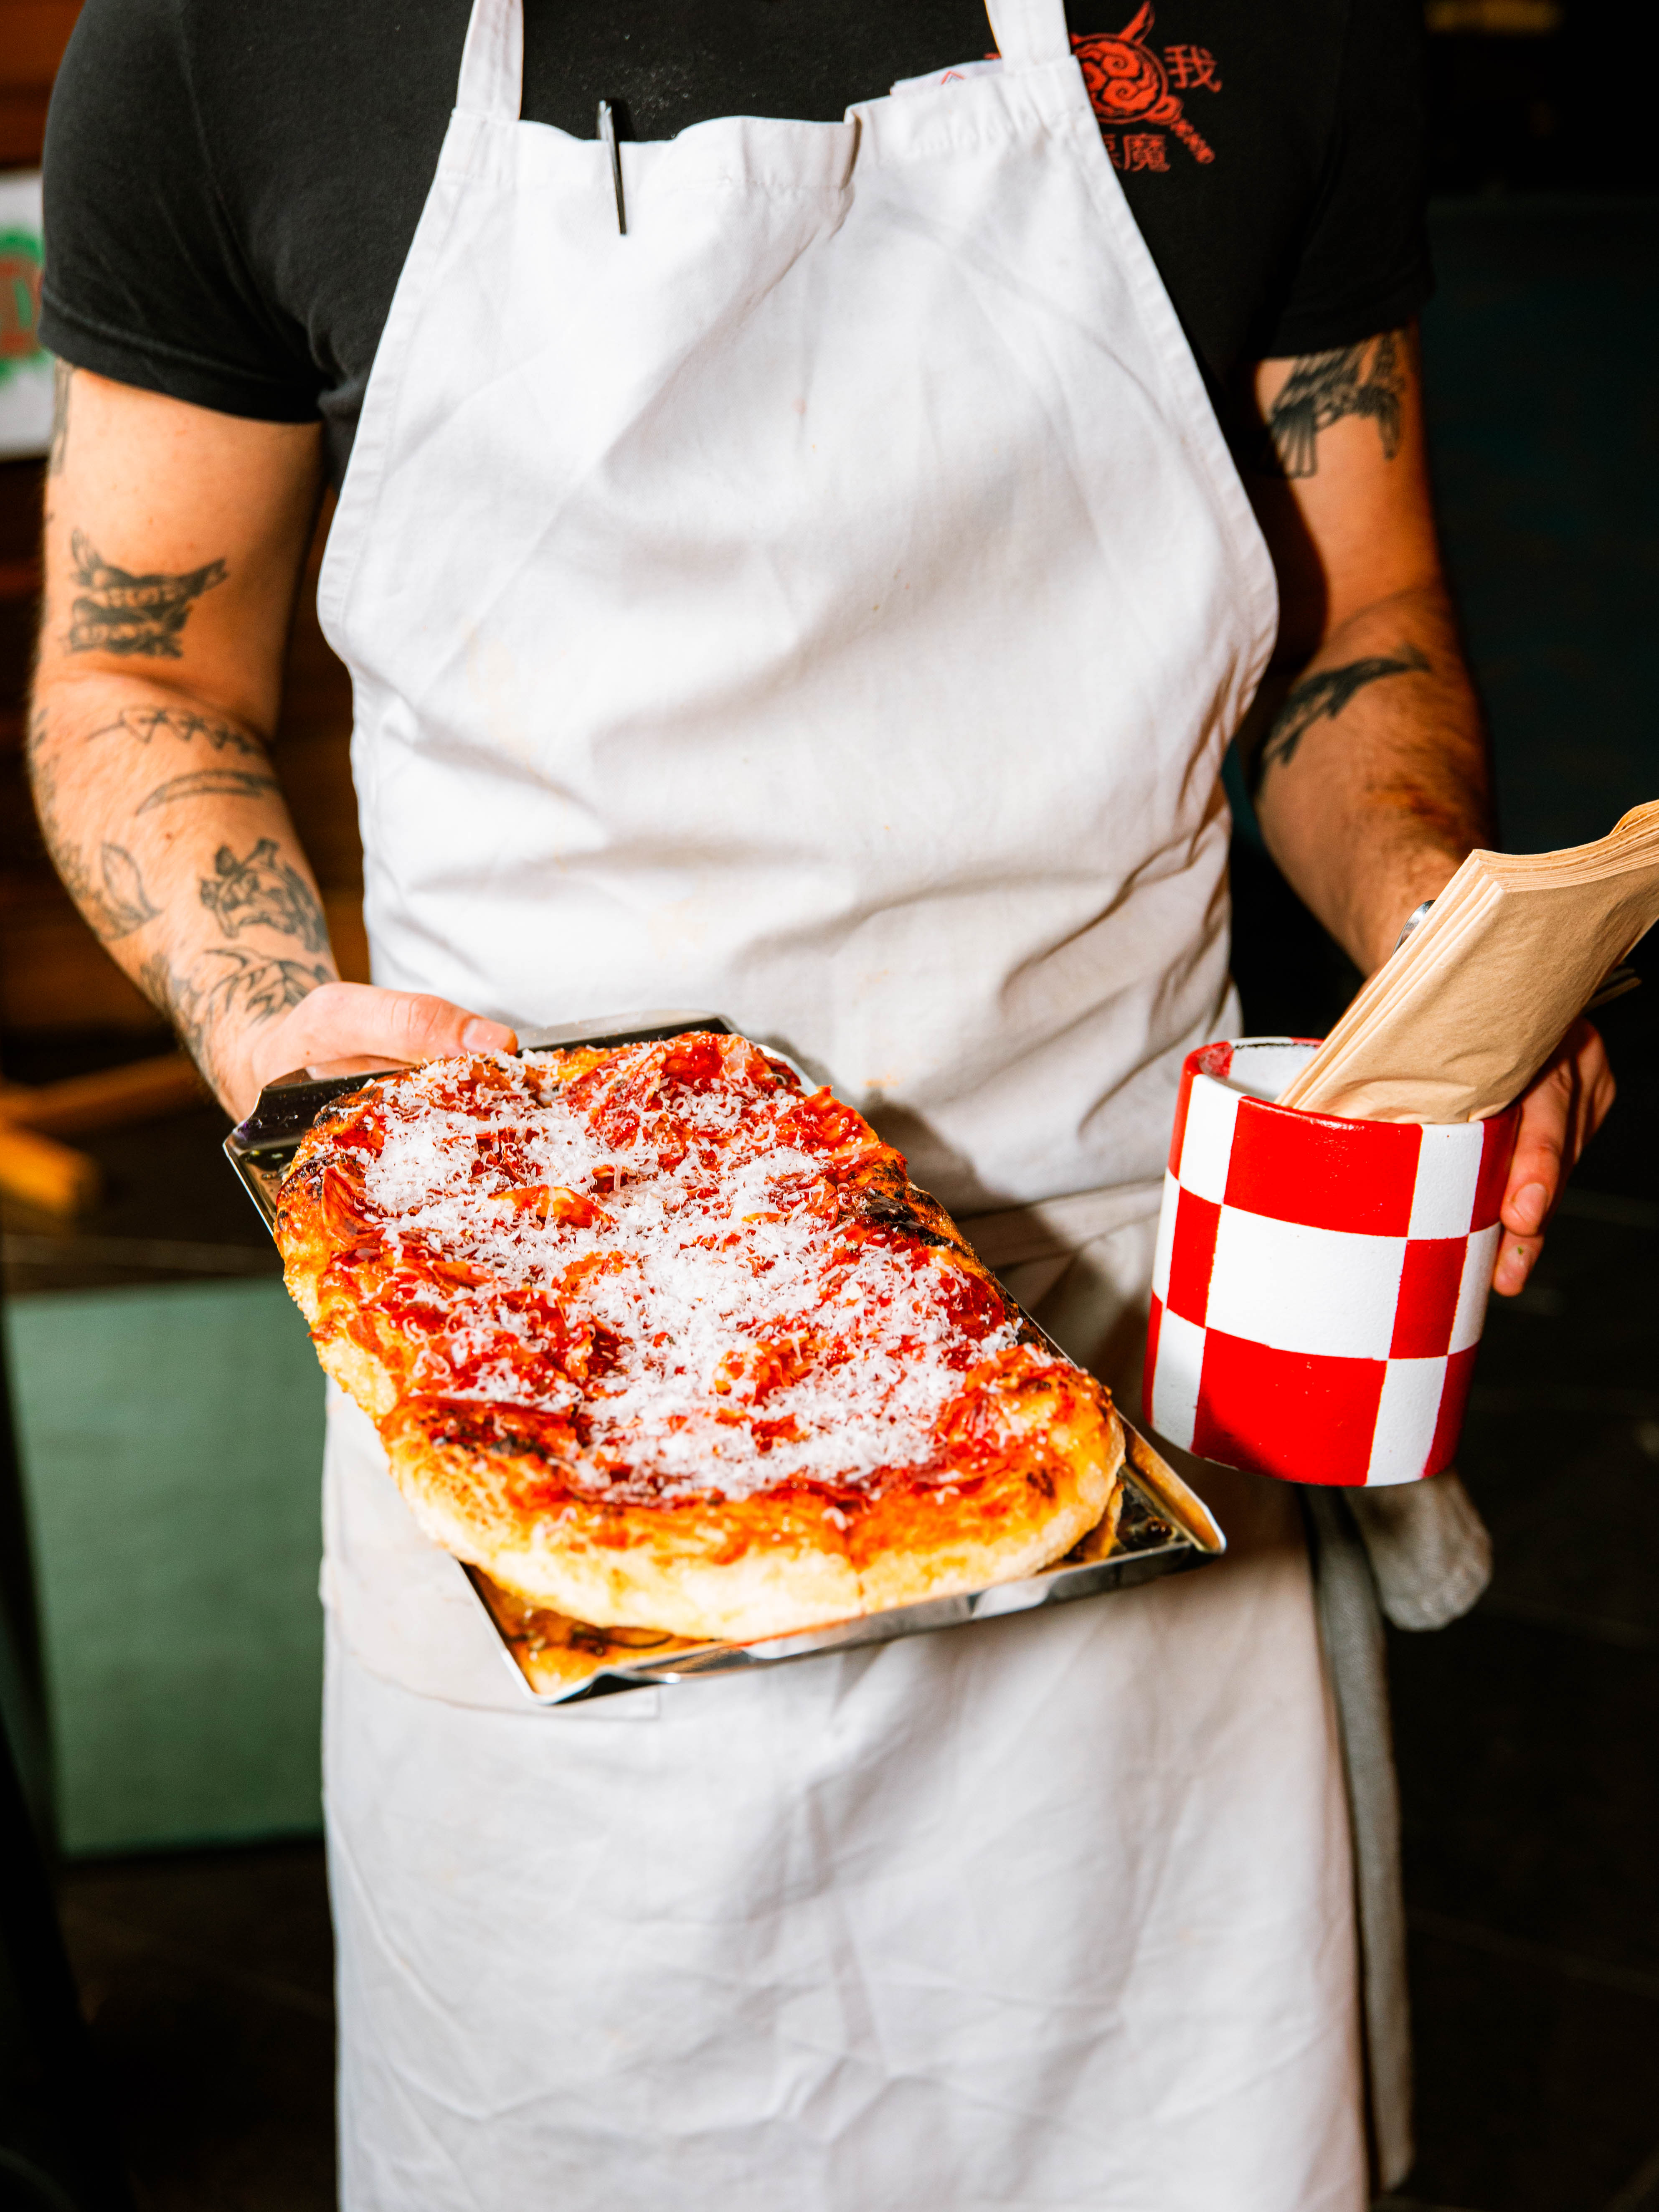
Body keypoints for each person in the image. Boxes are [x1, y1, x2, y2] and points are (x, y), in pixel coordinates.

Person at [30, 0, 1613, 2204]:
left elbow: (1366, 623)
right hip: (538, 1366)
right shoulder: (239, 35)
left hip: (1132, 1378)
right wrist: (268, 1016)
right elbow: (139, 669)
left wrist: (1432, 912)